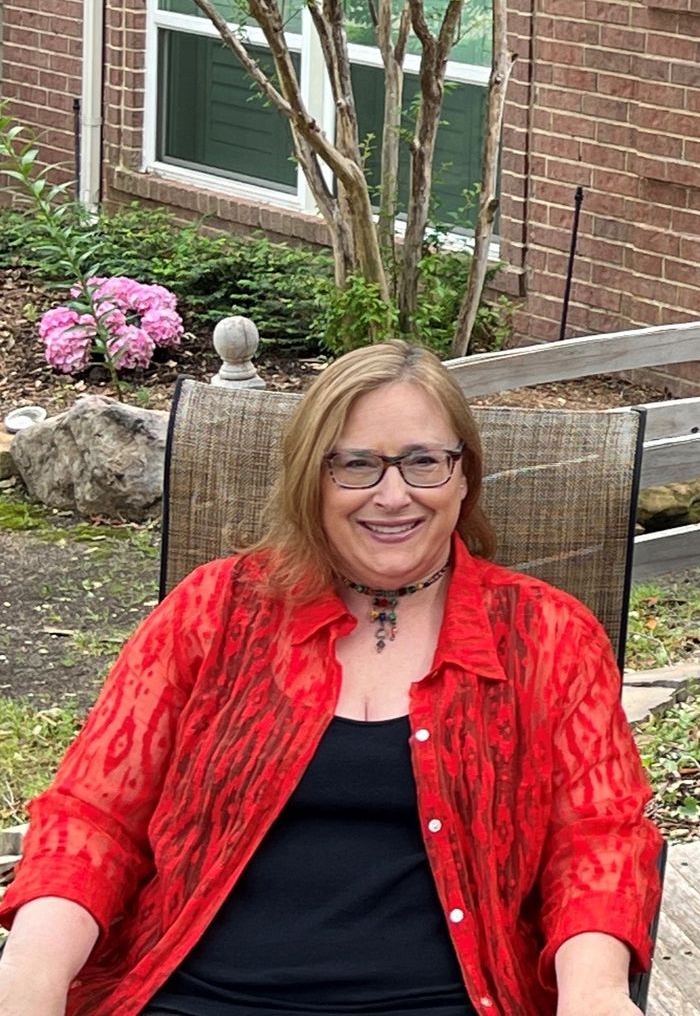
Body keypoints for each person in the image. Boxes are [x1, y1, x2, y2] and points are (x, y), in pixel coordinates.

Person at [0, 342, 662, 1016]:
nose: (394, 493)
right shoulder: (213, 611)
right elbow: (95, 816)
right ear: (310, 478)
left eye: (425, 461)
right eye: (356, 463)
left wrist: (597, 992)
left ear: (465, 477)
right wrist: (30, 972)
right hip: (196, 997)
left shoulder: (549, 635)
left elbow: (598, 838)